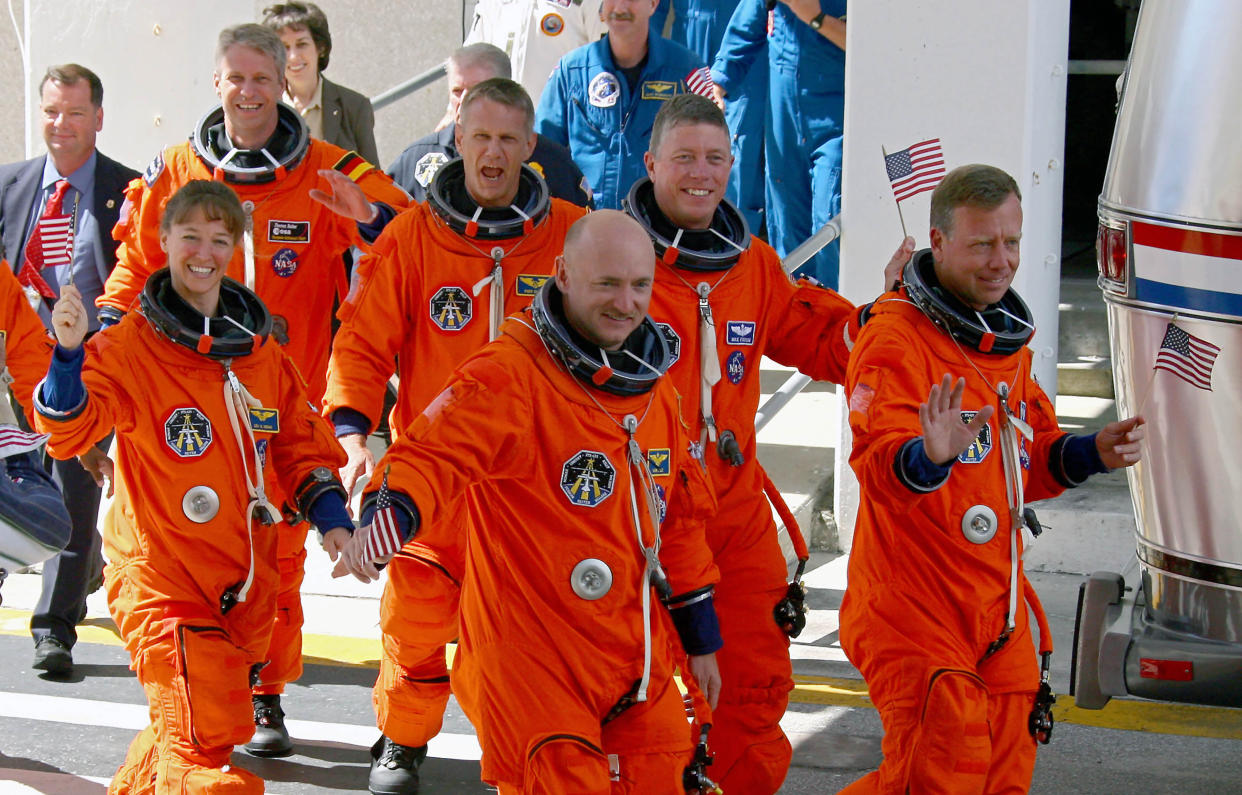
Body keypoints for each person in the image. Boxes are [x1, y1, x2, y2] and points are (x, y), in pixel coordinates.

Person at [97, 23, 410, 757]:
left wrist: (361, 214)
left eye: (262, 78)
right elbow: (130, 269)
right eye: (235, 78)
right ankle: (205, 690)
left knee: (280, 558)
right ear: (216, 84)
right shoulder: (176, 170)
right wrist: (100, 350)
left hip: (283, 402)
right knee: (199, 544)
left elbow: (408, 237)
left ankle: (264, 688)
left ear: (285, 83)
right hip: (187, 403)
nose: (248, 91)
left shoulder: (328, 169)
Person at [335, 210, 722, 795]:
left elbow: (679, 521)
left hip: (632, 655)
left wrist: (700, 639)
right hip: (533, 657)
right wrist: (388, 515)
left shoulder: (653, 389)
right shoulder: (510, 373)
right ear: (562, 274)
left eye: (639, 284)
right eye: (607, 284)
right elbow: (431, 451)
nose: (626, 303)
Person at [35, 180, 355, 794]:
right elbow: (71, 427)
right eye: (189, 237)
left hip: (239, 583)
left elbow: (298, 446)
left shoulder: (260, 353)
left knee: (185, 730)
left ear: (235, 247)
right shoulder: (129, 346)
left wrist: (335, 521)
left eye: (217, 239)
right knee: (203, 743)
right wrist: (68, 356)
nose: (202, 253)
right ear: (164, 242)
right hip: (163, 580)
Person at [840, 164, 1146, 793]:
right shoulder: (895, 340)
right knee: (936, 772)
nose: (1000, 261)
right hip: (913, 605)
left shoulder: (1002, 346)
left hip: (996, 609)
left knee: (1006, 770)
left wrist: (1092, 451)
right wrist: (931, 456)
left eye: (1011, 242)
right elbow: (879, 467)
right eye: (981, 244)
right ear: (939, 241)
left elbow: (1026, 462)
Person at [324, 76, 588, 794]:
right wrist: (351, 431)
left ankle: (526, 753)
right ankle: (403, 739)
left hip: (534, 494)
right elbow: (362, 344)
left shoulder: (570, 232)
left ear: (532, 147)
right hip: (431, 486)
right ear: (457, 143)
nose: (494, 153)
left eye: (509, 139)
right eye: (481, 137)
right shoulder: (414, 236)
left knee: (526, 641)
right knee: (414, 624)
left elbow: (622, 315)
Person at [625, 93, 894, 793]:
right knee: (644, 693)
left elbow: (822, 337)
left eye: (715, 158)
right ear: (651, 163)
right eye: (684, 157)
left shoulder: (752, 267)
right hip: (638, 517)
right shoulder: (618, 266)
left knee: (753, 684)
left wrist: (888, 319)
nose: (700, 173)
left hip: (733, 515)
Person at [0, 63, 139, 676]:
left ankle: (54, 626)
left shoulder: (127, 190)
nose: (62, 125)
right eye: (52, 112)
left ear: (99, 119)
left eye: (75, 113)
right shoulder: (9, 186)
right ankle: (72, 579)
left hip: (88, 365)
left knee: (75, 489)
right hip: (11, 371)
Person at [713, 0, 846, 288]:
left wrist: (816, 17)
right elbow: (747, 25)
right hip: (784, 120)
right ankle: (793, 313)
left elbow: (875, 45)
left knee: (830, 218)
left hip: (838, 120)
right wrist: (719, 84)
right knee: (786, 221)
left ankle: (838, 316)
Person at [535, 0, 717, 210]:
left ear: (653, 4)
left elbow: (712, 150)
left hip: (656, 223)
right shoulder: (571, 70)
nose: (620, 8)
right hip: (583, 221)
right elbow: (542, 150)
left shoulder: (688, 71)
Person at [387, 43, 592, 208]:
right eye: (458, 91)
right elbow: (380, 238)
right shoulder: (416, 159)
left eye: (479, 90)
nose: (465, 100)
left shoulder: (553, 162)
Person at [652, 0, 768, 234]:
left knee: (738, 156)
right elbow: (651, 10)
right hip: (689, 42)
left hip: (748, 50)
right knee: (679, 146)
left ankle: (734, 247)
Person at [262, 2, 380, 165]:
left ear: (321, 47)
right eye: (284, 47)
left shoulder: (355, 106)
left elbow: (372, 177)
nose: (293, 56)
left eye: (302, 44)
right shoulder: (264, 106)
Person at [463, 0, 606, 106]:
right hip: (498, 127)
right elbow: (471, 62)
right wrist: (453, 109)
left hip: (562, 129)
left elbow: (607, 62)